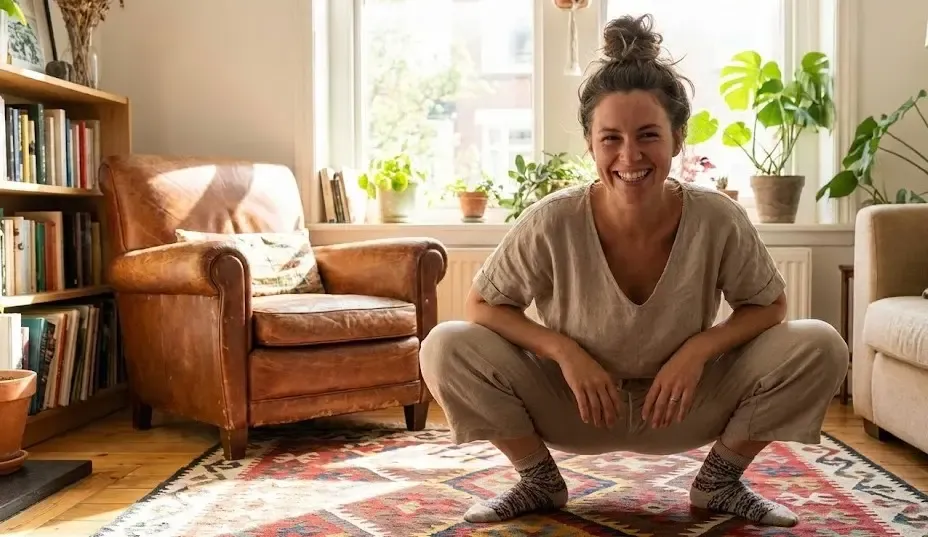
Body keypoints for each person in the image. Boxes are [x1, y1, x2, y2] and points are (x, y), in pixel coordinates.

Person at [418, 13, 849, 529]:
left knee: (820, 343)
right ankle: (537, 480)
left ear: (678, 138)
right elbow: (483, 305)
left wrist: (698, 351)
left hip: (684, 405)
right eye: (610, 139)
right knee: (445, 344)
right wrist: (564, 351)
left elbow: (770, 306)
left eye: (648, 135)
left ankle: (719, 483)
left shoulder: (717, 217)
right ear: (590, 143)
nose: (630, 156)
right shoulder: (551, 219)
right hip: (575, 405)